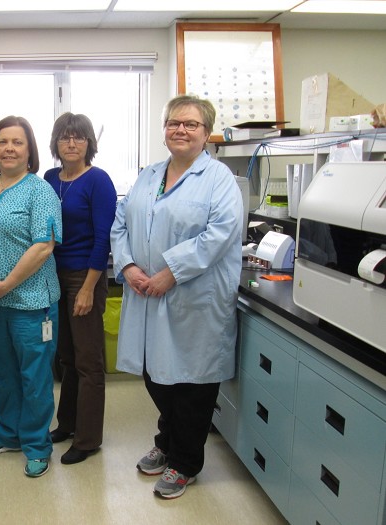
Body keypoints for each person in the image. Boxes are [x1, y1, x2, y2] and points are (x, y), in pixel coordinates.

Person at [110, 94, 243, 499]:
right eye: (173, 123)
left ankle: (185, 462)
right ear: (164, 129)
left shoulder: (219, 179)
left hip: (194, 298)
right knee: (156, 374)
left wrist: (170, 273)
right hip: (146, 293)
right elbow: (121, 223)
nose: (180, 130)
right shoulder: (148, 175)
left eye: (191, 124)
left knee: (192, 384)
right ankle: (167, 440)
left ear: (206, 134)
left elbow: (219, 234)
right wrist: (129, 266)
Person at [0, 115, 62, 478]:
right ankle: (6, 434)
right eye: (2, 141)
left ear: (29, 150)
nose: (9, 148)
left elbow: (43, 246)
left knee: (34, 377)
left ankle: (37, 445)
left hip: (31, 303)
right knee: (1, 374)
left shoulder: (40, 191)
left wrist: (7, 283)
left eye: (17, 142)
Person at [43, 113, 117, 465]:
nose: (71, 143)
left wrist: (88, 288)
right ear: (56, 143)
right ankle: (67, 424)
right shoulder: (48, 178)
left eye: (79, 138)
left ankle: (88, 440)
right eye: (65, 137)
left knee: (88, 362)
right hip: (52, 276)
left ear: (89, 143)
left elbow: (103, 239)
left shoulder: (99, 181)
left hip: (84, 276)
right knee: (67, 357)